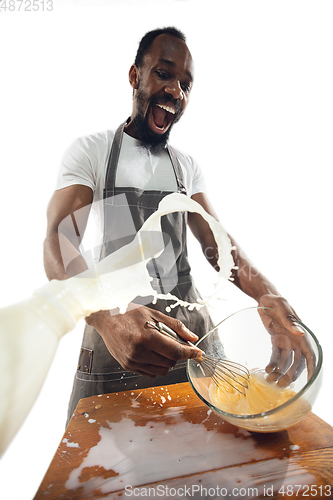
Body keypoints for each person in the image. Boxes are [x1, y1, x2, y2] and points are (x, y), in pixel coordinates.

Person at [43, 27, 311, 425]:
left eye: (186, 84)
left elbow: (218, 245)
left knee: (214, 455)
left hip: (192, 337)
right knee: (100, 472)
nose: (176, 92)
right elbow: (60, 240)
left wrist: (268, 295)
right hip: (119, 335)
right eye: (164, 75)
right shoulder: (92, 151)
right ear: (135, 76)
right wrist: (106, 318)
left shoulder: (186, 167)